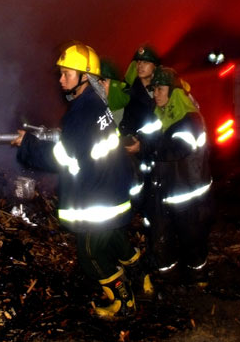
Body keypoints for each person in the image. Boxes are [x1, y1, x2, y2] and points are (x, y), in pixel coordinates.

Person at [12, 41, 145, 318]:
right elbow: (84, 146)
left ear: (85, 76)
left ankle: (124, 303)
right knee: (117, 242)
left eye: (67, 74)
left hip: (98, 200)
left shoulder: (83, 113)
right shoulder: (97, 104)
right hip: (112, 190)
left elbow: (63, 158)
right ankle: (142, 279)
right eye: (61, 73)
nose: (61, 80)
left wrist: (28, 145)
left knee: (91, 256)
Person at [130, 66, 213, 285]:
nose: (155, 93)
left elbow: (176, 148)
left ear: (174, 92)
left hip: (188, 195)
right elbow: (148, 137)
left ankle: (198, 277)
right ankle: (170, 280)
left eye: (160, 89)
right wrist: (133, 141)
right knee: (162, 238)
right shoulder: (161, 115)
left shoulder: (190, 119)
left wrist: (144, 148)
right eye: (154, 88)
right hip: (164, 191)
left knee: (192, 239)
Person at [118, 44, 160, 141]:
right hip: (146, 150)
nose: (140, 65)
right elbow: (127, 128)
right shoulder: (130, 96)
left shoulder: (164, 87)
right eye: (138, 62)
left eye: (145, 62)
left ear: (155, 66)